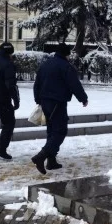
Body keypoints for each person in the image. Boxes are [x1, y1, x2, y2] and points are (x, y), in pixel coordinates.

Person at [31, 43, 88, 174]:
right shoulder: (66, 67)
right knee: (60, 131)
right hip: (58, 103)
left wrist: (38, 99)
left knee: (51, 131)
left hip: (45, 102)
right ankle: (41, 156)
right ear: (66, 54)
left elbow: (37, 83)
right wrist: (83, 98)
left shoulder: (45, 64)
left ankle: (51, 161)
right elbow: (74, 84)